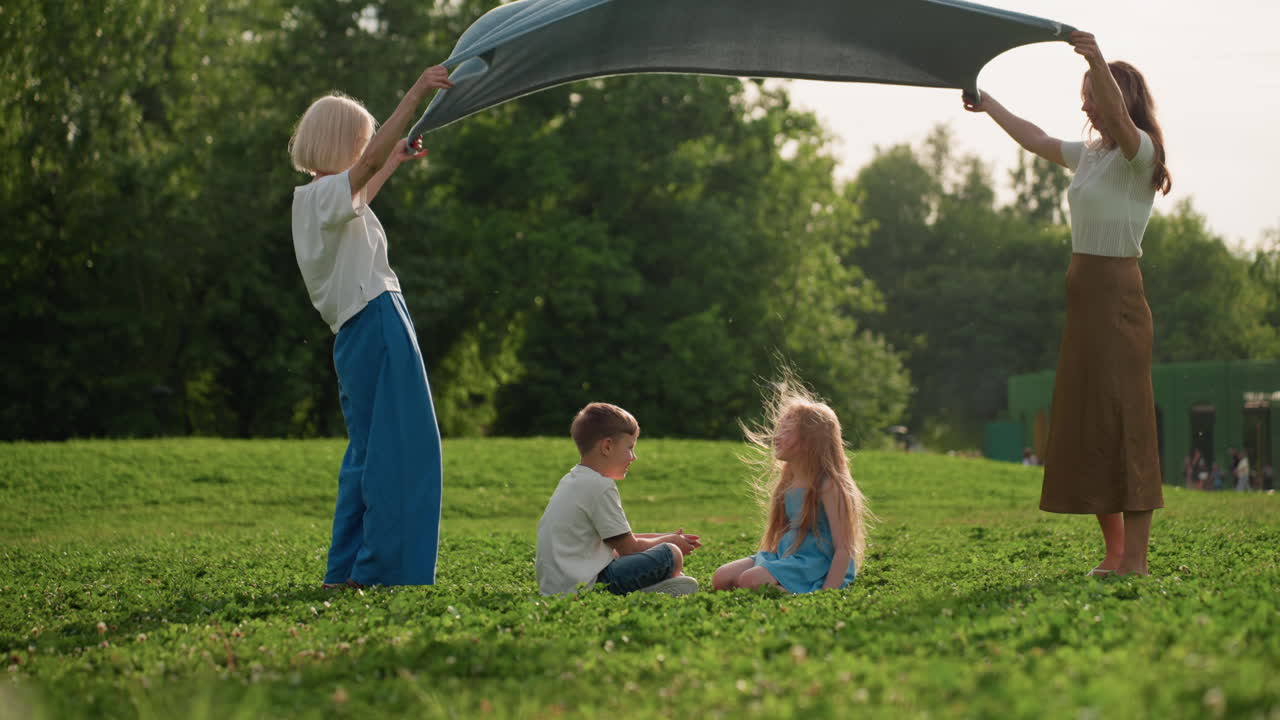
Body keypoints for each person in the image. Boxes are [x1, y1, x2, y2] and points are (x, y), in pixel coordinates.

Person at [964, 32, 1172, 577]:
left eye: (1092, 95)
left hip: (1120, 300)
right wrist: (987, 104)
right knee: (1087, 420)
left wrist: (1095, 58)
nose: (1084, 105)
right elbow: (1034, 138)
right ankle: (1112, 551)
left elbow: (1126, 126)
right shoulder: (1092, 157)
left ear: (1117, 98)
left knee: (1126, 421)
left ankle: (1137, 561)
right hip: (1083, 303)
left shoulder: (1138, 152)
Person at [289, 65, 455, 588]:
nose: (369, 152)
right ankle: (384, 572)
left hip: (360, 332)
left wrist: (395, 161)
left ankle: (347, 571)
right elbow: (365, 168)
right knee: (406, 452)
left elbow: (364, 184)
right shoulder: (323, 197)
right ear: (343, 145)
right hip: (378, 321)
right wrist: (416, 93)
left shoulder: (314, 201)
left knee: (367, 456)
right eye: (363, 144)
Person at [712, 381, 870, 593]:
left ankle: (795, 592)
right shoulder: (788, 481)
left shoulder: (829, 484)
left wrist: (828, 592)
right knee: (721, 577)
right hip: (788, 556)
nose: (776, 437)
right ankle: (773, 585)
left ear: (809, 442)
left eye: (786, 431)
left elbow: (844, 548)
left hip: (815, 564)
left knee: (750, 581)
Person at [535, 403, 701, 596]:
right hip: (590, 585)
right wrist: (670, 542)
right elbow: (629, 548)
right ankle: (650, 589)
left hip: (558, 586)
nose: (634, 457)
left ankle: (657, 586)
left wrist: (664, 536)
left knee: (665, 548)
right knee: (671, 554)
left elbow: (617, 540)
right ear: (607, 447)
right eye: (630, 448)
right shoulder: (600, 486)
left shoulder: (573, 480)